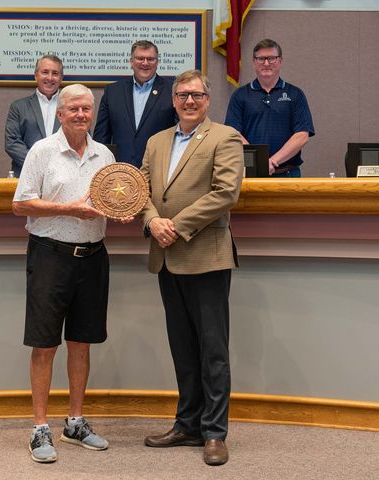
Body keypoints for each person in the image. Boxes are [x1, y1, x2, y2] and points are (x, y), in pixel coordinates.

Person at [141, 70, 243, 466]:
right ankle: (188, 424)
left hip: (206, 256)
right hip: (166, 257)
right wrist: (152, 222)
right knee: (183, 348)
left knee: (212, 350)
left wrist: (175, 226)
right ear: (173, 99)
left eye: (196, 95)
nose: (188, 101)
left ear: (207, 99)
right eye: (182, 95)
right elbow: (141, 190)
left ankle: (214, 432)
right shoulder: (157, 141)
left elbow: (226, 192)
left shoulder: (225, 137)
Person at [12, 84, 114, 463]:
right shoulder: (42, 151)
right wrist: (70, 210)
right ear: (60, 113)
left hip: (93, 257)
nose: (81, 114)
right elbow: (20, 205)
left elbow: (112, 198)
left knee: (82, 342)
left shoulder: (105, 154)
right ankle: (40, 427)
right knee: (44, 344)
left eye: (87, 108)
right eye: (73, 108)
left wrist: (120, 208)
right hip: (50, 256)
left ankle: (75, 422)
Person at [225, 38, 315, 177]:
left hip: (288, 175)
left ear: (280, 61)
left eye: (272, 58)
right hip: (250, 173)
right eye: (261, 59)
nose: (266, 63)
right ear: (254, 62)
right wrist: (258, 162)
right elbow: (233, 133)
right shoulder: (240, 95)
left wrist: (272, 162)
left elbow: (302, 135)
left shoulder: (295, 94)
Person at [93, 40, 176, 168]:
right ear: (131, 61)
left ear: (157, 62)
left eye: (150, 59)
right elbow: (101, 139)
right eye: (140, 58)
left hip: (160, 170)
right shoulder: (113, 92)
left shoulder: (172, 90)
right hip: (120, 173)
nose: (145, 63)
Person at [5, 55, 63, 177]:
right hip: (27, 174)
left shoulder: (72, 106)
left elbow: (82, 139)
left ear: (61, 78)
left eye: (55, 73)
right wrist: (39, 164)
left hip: (63, 176)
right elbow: (12, 143)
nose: (50, 77)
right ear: (36, 75)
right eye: (45, 72)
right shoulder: (18, 107)